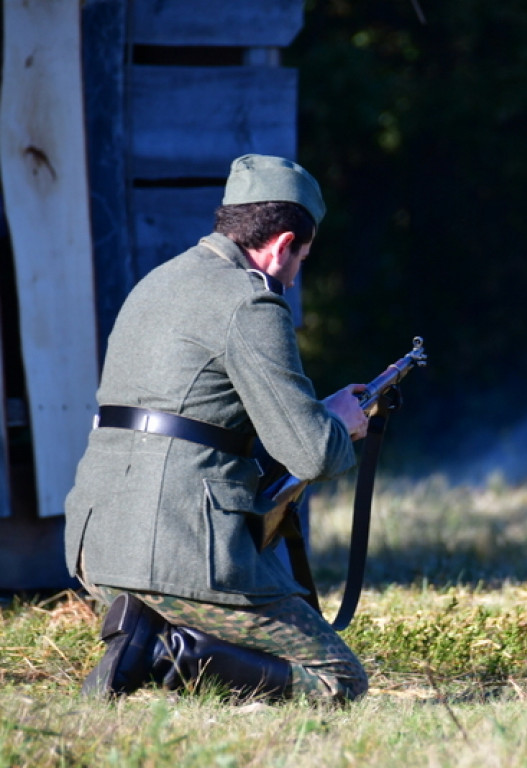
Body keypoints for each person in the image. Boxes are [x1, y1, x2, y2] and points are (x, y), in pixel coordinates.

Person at [65, 154, 370, 704]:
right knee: (340, 681)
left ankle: (149, 630)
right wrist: (340, 425)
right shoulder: (250, 302)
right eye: (301, 255)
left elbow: (198, 412)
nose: (297, 272)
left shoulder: (159, 283)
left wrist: (314, 411)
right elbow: (315, 455)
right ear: (281, 244)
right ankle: (164, 652)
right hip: (182, 550)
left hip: (99, 545)